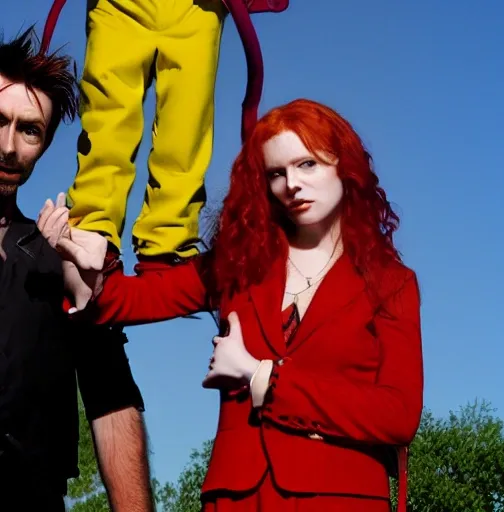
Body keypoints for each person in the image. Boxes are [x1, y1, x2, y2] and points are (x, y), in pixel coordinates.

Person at [41, 98, 424, 511]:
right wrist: (81, 263)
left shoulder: (391, 283)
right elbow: (126, 303)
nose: (291, 184)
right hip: (237, 498)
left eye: (307, 164)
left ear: (343, 165)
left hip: (342, 497)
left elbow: (398, 415)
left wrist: (263, 377)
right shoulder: (240, 264)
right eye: (276, 173)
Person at [0, 29, 154, 511]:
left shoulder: (58, 259)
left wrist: (93, 292)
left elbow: (112, 399)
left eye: (29, 130)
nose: (9, 146)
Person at [66, 0, 227, 261]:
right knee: (107, 121)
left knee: (185, 125)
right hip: (118, 6)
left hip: (199, 7)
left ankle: (168, 250)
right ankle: (90, 233)